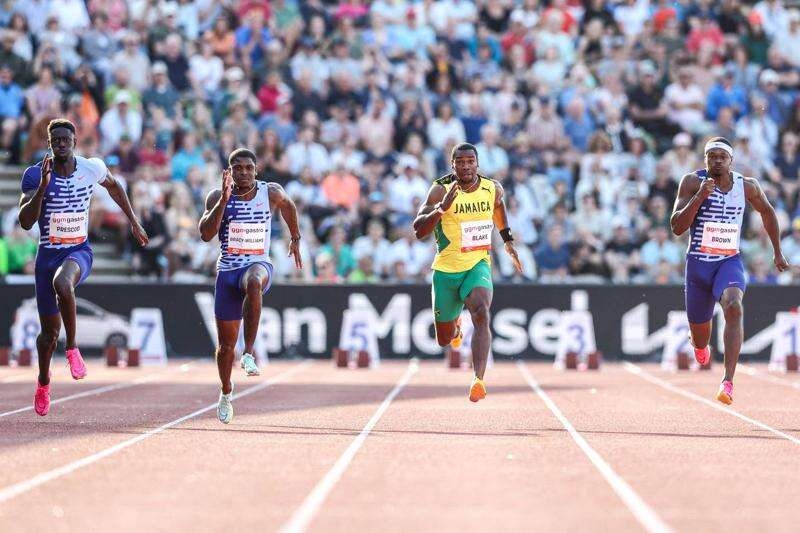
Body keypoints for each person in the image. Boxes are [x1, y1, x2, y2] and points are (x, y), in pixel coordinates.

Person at [17, 118, 148, 417]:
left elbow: (115, 189)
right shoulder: (35, 174)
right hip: (47, 255)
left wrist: (134, 220)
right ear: (49, 144)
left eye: (66, 140)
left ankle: (73, 349)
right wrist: (43, 189)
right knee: (48, 334)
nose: (61, 145)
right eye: (56, 141)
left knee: (64, 283)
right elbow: (25, 222)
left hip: (78, 250)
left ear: (75, 142)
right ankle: (43, 382)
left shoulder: (92, 168)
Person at [670, 136, 789, 405]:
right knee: (701, 338)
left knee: (734, 306)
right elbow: (677, 227)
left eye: (722, 156)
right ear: (705, 160)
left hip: (728, 261)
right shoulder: (691, 182)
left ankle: (728, 381)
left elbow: (768, 213)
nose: (717, 160)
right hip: (698, 266)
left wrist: (777, 252)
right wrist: (700, 195)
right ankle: (700, 345)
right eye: (711, 156)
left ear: (731, 161)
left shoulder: (746, 186)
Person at [199, 148, 302, 424]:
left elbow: (289, 205)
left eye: (248, 168)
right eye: (237, 168)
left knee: (255, 282)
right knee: (224, 348)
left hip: (257, 264)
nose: (243, 173)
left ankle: (249, 352)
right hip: (227, 273)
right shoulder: (216, 195)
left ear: (256, 170)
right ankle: (225, 391)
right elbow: (205, 234)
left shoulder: (270, 192)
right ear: (229, 171)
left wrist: (296, 238)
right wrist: (223, 199)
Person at [413, 142, 522, 403]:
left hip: (477, 264)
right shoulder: (440, 188)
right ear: (452, 165)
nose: (465, 166)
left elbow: (498, 207)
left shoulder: (491, 187)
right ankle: (456, 327)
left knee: (482, 313)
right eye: (460, 162)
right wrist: (441, 209)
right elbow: (418, 230)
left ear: (477, 163)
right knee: (443, 339)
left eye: (470, 161)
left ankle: (478, 380)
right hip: (446, 270)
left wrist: (507, 241)